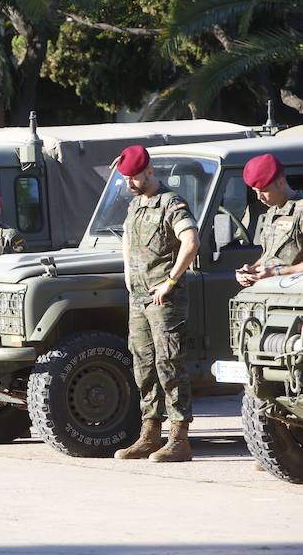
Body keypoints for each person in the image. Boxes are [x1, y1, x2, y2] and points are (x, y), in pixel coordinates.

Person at [114, 145, 200, 463]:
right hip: (138, 299)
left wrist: (171, 281)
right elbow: (127, 238)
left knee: (170, 365)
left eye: (134, 177)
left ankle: (179, 438)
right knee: (143, 367)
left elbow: (191, 241)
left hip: (165, 300)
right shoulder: (136, 206)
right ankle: (149, 434)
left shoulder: (171, 203)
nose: (130, 184)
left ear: (150, 172)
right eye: (126, 179)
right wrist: (127, 274)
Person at [236, 153, 303, 285]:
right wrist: (252, 269)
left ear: (281, 182)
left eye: (264, 190)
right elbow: (270, 256)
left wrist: (275, 273)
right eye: (255, 191)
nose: (259, 197)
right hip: (270, 290)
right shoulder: (272, 212)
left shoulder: (300, 211)